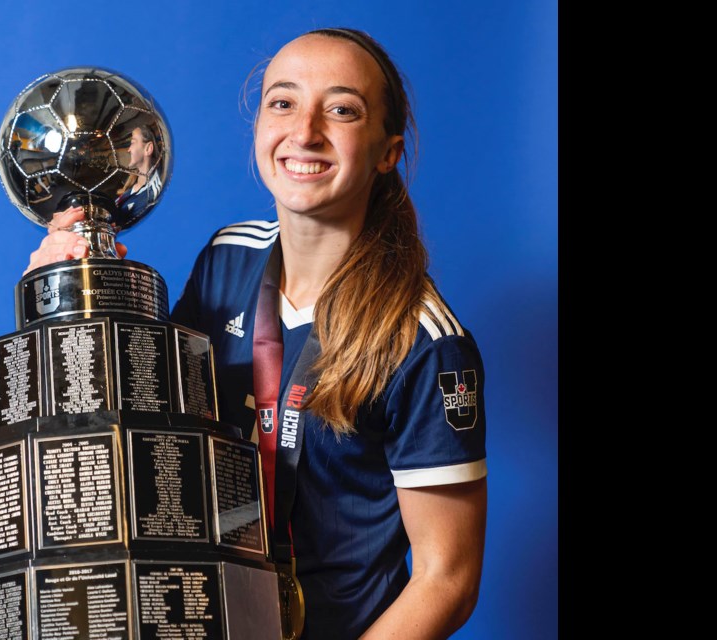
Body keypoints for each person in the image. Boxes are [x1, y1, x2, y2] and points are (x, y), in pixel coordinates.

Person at [25, 27, 486, 640]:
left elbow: (445, 579)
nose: (305, 132)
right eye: (283, 102)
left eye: (342, 109)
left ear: (387, 152)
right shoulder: (227, 258)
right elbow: (142, 425)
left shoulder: (426, 342)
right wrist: (68, 298)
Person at [115, 125, 162, 217]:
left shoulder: (152, 194)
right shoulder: (129, 188)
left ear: (148, 149)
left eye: (132, 143)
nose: (128, 150)